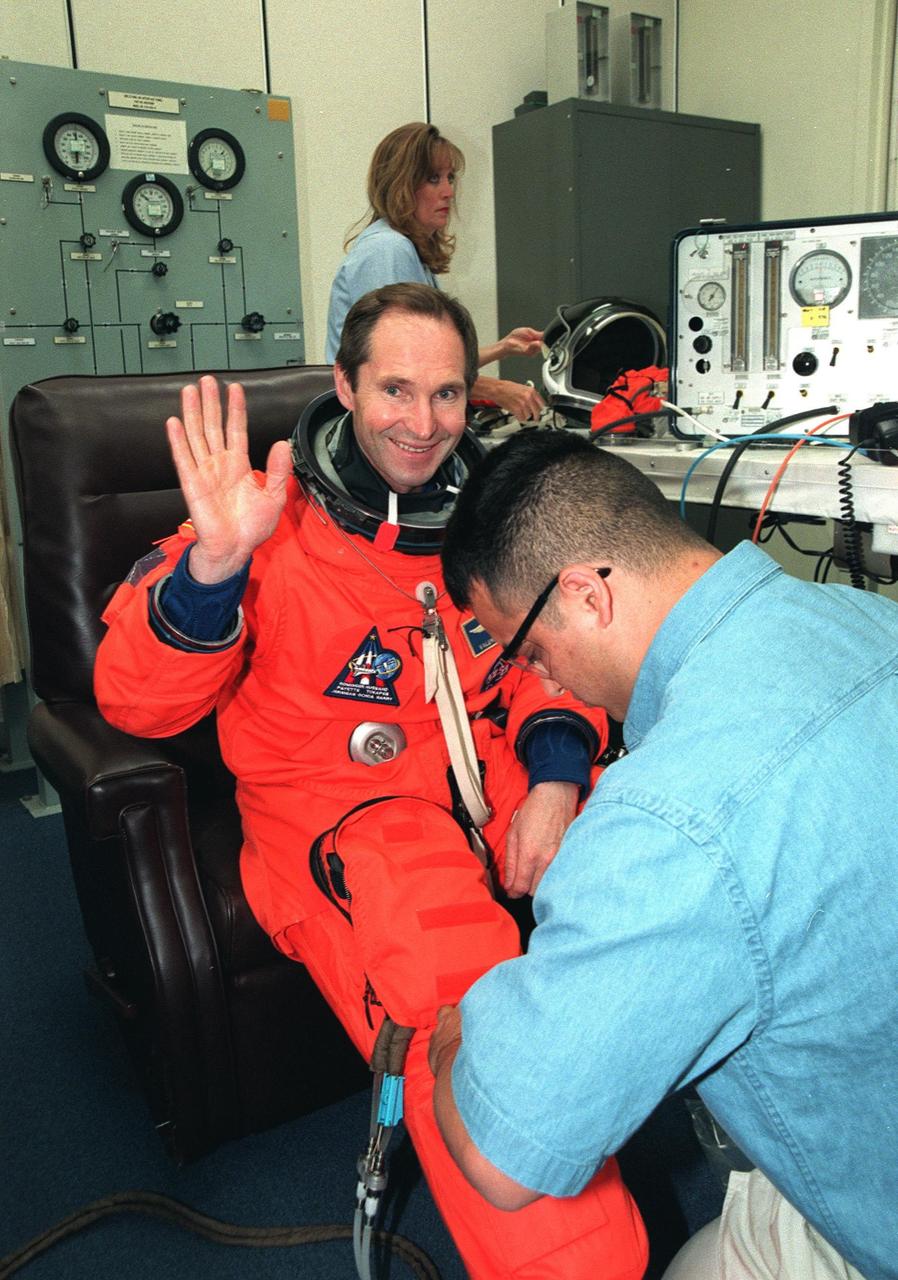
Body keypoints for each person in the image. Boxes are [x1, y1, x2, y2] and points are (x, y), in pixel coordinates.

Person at [94, 284, 648, 1280]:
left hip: (492, 782)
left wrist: (561, 784)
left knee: (664, 850)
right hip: (345, 815)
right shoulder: (266, 530)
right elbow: (136, 700)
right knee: (450, 972)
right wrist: (215, 563)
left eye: (444, 395)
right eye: (395, 388)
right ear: (344, 385)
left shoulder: (485, 525)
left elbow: (543, 665)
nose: (421, 423)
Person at [431, 427, 898, 1280]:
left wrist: (460, 1035)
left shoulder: (669, 821)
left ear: (584, 595)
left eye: (530, 651)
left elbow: (501, 1161)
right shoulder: (871, 619)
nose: (550, 684)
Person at [324, 121, 545, 423]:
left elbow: (435, 359)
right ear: (400, 184)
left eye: (450, 178)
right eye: (433, 179)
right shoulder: (388, 250)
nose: (449, 192)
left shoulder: (406, 250)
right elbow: (404, 368)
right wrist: (496, 389)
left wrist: (503, 348)